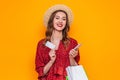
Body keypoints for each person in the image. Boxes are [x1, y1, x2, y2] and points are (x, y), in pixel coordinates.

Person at [35, 4, 80, 80]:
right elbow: (41, 72)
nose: (60, 21)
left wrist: (71, 58)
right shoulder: (42, 44)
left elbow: (76, 70)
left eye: (64, 19)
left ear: (66, 23)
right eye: (57, 18)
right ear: (52, 20)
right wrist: (51, 61)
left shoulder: (72, 43)